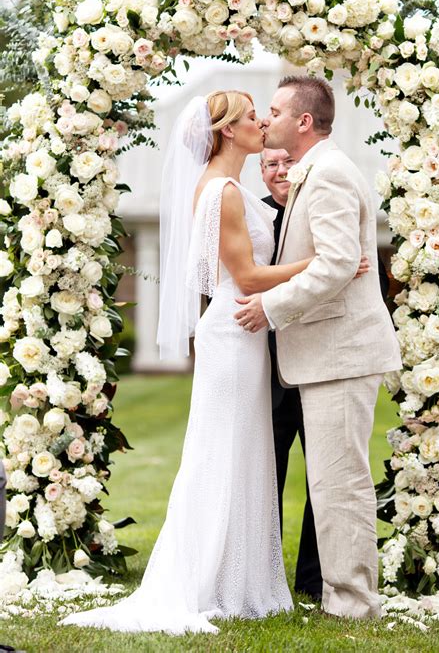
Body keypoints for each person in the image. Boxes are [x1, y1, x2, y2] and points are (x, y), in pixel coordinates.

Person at [61, 90, 327, 634]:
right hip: (235, 333)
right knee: (224, 454)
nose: (261, 125)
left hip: (241, 332)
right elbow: (247, 278)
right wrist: (323, 263)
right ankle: (210, 580)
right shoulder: (223, 192)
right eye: (253, 118)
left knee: (241, 454)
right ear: (229, 130)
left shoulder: (224, 187)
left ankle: (240, 576)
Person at [235, 76, 402, 619]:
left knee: (341, 485)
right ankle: (341, 596)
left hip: (341, 353)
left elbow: (335, 263)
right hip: (329, 353)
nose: (267, 119)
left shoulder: (327, 173)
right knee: (332, 484)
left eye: (277, 110)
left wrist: (272, 308)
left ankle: (352, 603)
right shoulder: (317, 170)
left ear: (304, 121)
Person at [260, 148, 323, 601]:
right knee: (264, 477)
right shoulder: (251, 215)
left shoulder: (323, 204)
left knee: (323, 478)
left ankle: (314, 579)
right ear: (260, 173)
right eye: (269, 165)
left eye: (286, 162)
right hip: (264, 373)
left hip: (322, 367)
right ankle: (263, 576)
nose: (280, 171)